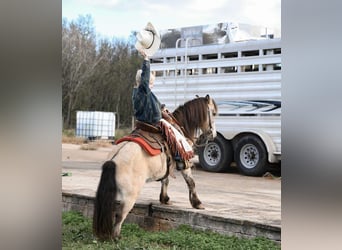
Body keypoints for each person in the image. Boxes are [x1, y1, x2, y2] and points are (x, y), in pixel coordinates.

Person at [133, 22, 193, 170]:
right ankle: (179, 157)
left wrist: (161, 107)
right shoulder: (143, 89)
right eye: (151, 83)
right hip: (152, 121)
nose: (151, 85)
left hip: (142, 119)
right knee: (171, 130)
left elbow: (150, 104)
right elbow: (146, 79)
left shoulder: (137, 92)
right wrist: (146, 60)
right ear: (146, 83)